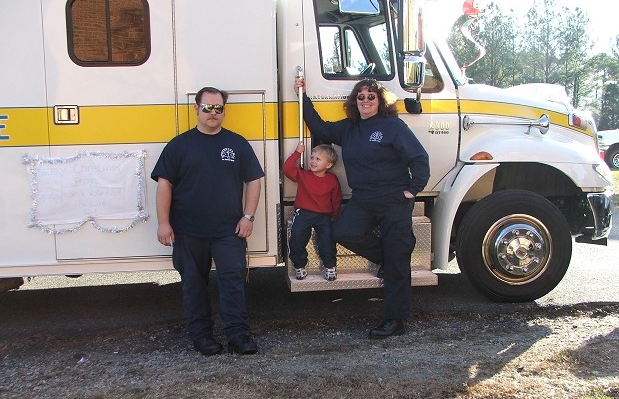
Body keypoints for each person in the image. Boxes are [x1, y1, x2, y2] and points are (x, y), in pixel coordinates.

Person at [294, 77, 430, 339]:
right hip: (363, 198)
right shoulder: (350, 128)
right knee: (343, 231)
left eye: (371, 96)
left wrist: (413, 190)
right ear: (355, 102)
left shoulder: (393, 126)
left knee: (398, 257)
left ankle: (395, 321)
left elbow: (418, 157)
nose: (365, 100)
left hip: (393, 199)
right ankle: (386, 259)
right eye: (361, 97)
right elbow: (319, 125)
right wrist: (302, 95)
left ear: (380, 101)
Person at [151, 86, 264, 356]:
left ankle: (238, 335)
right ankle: (201, 337)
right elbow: (164, 184)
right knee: (193, 284)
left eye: (218, 108)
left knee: (232, 281)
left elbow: (254, 181)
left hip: (229, 230)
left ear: (224, 111)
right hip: (188, 231)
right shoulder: (179, 145)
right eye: (207, 108)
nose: (213, 113)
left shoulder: (237, 144)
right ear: (196, 109)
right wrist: (163, 223)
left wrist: (248, 216)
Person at [284, 142, 342, 281]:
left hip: (324, 216)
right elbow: (287, 168)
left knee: (327, 240)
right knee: (297, 237)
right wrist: (297, 152)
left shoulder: (332, 180)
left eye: (318, 159)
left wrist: (335, 215)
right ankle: (300, 265)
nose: (313, 161)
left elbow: (336, 199)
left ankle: (330, 266)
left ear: (328, 165)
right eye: (312, 158)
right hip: (304, 213)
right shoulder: (303, 175)